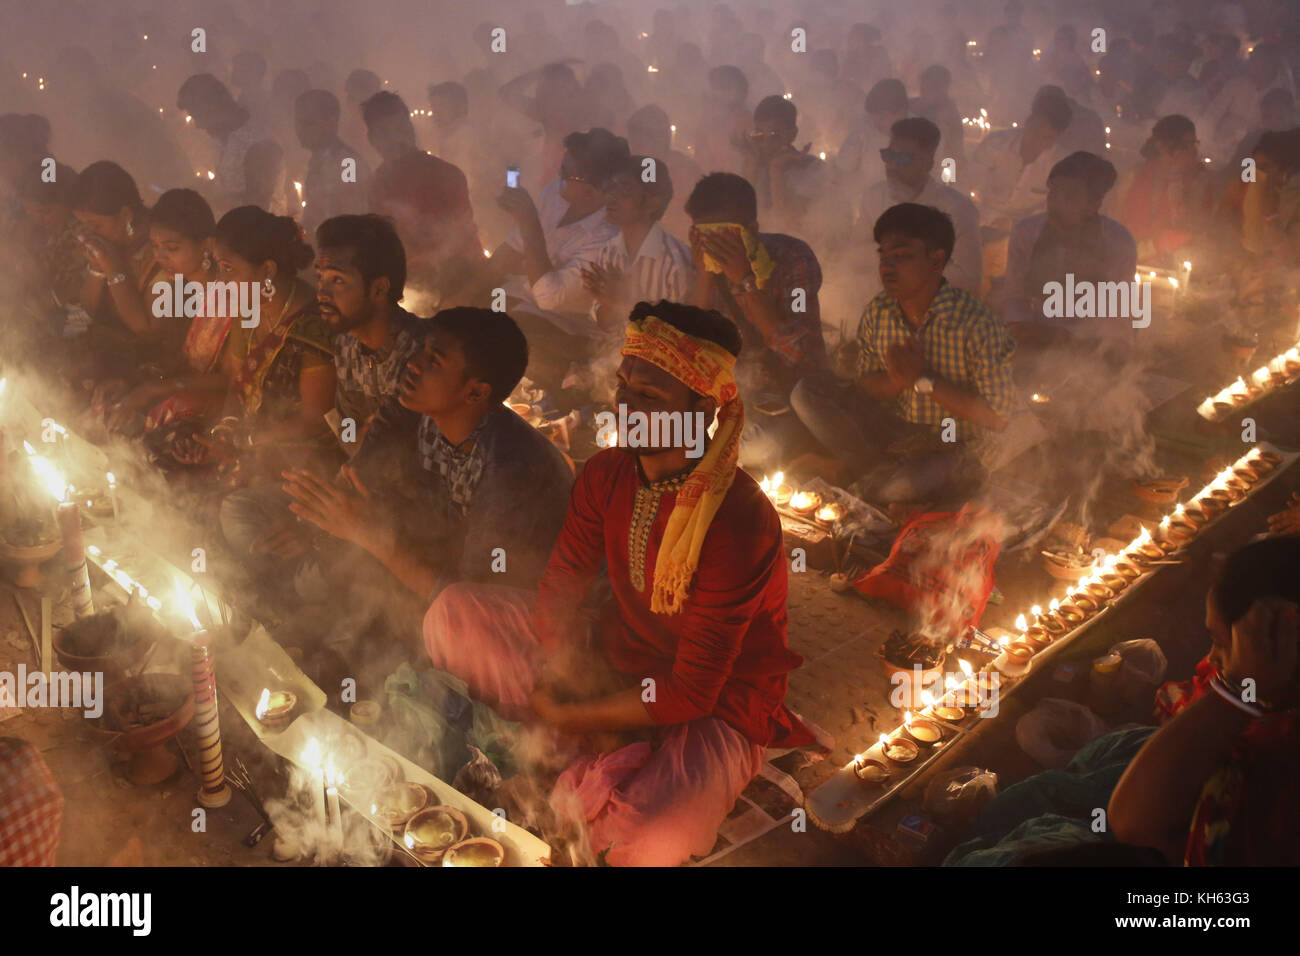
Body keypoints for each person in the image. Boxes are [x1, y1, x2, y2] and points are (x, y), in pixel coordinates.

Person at [421, 300, 813, 866]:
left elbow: (690, 692)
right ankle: (591, 752)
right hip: (612, 656)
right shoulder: (607, 472)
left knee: (650, 835)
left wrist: (567, 716)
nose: (625, 405)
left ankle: (577, 754)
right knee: (454, 611)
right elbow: (560, 586)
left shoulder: (740, 522)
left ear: (702, 408)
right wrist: (563, 673)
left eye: (649, 396)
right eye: (623, 385)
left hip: (718, 704)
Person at [280, 307, 573, 625]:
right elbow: (372, 452)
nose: (413, 364)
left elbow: (469, 602)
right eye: (420, 350)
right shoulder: (418, 407)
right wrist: (318, 518)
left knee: (324, 590)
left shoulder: (509, 471)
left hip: (516, 616)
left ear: (475, 392)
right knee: (310, 576)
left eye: (434, 361)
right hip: (441, 555)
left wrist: (369, 534)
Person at [791, 203, 1015, 502]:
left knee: (893, 490)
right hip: (896, 433)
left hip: (953, 442)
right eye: (883, 256)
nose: (886, 267)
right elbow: (867, 385)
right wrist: (897, 380)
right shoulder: (879, 310)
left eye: (901, 256)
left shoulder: (976, 323)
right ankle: (879, 475)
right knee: (806, 393)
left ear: (936, 260)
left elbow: (998, 418)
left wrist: (924, 379)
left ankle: (880, 481)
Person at [1110, 537, 1300, 865]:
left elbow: (1134, 825)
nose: (1213, 658)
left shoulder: (1277, 770)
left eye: (1222, 643)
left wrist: (1240, 689)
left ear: (1282, 644)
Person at [685, 172, 824, 470]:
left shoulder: (793, 258)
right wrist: (706, 276)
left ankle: (809, 452)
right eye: (705, 235)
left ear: (752, 229)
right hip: (730, 394)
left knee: (740, 450)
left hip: (785, 399)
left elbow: (802, 353)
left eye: (724, 235)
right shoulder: (698, 261)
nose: (714, 245)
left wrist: (746, 281)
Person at [208, 205, 335, 481]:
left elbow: (315, 420)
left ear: (267, 269)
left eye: (228, 268)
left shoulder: (315, 325)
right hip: (251, 443)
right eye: (219, 268)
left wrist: (248, 442)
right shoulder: (250, 309)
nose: (221, 280)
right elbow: (236, 385)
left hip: (304, 460)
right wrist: (226, 430)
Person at [490, 127, 625, 380]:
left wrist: (529, 222)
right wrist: (475, 281)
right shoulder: (554, 193)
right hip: (523, 299)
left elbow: (548, 298)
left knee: (508, 339)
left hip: (569, 327)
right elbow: (511, 251)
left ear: (595, 190)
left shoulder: (609, 236)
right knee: (469, 313)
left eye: (566, 174)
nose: (558, 177)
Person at [996, 152, 1136, 353]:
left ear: (1093, 205)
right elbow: (1014, 295)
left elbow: (1119, 313)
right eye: (1053, 193)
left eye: (1070, 196)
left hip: (1092, 344)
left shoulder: (1118, 242)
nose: (1056, 203)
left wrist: (1075, 340)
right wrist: (1021, 327)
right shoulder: (1027, 232)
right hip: (1033, 335)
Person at [314, 213, 425, 446]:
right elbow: (349, 432)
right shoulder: (347, 344)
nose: (322, 293)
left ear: (378, 289)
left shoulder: (422, 355)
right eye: (320, 278)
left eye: (337, 280)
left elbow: (403, 456)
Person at [363, 91, 482, 306]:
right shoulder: (376, 184)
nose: (396, 140)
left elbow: (459, 244)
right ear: (372, 140)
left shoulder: (447, 176)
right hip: (408, 286)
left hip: (459, 284)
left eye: (401, 129)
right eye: (385, 133)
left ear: (411, 129)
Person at [853, 117, 982, 309]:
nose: (893, 166)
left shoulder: (957, 208)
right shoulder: (874, 197)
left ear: (928, 163)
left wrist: (910, 274)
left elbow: (968, 279)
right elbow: (856, 254)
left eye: (904, 159)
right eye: (889, 156)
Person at [582, 154, 693, 331]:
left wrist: (620, 303)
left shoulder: (676, 263)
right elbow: (604, 327)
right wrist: (610, 305)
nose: (611, 196)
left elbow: (677, 340)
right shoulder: (608, 252)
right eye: (611, 187)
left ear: (653, 202)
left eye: (625, 188)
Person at [177, 73, 278, 213]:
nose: (198, 126)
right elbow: (231, 186)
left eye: (197, 116)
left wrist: (208, 199)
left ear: (212, 107)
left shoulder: (258, 143)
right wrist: (203, 188)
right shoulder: (221, 140)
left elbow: (258, 206)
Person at [972, 91, 1072, 232]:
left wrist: (1015, 225)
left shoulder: (1059, 164)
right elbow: (971, 183)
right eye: (1034, 132)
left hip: (1028, 235)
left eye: (1047, 138)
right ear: (1028, 123)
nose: (1036, 141)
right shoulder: (995, 145)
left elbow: (1055, 210)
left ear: (1056, 139)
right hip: (981, 224)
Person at [1121, 115, 1215, 261]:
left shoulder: (1200, 182)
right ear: (1162, 147)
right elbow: (1120, 228)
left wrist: (1177, 182)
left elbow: (1197, 230)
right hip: (1135, 257)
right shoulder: (1137, 177)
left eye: (1194, 144)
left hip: (1180, 262)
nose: (1194, 151)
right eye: (1186, 145)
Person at [740, 95, 832, 236]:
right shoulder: (753, 164)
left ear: (793, 134)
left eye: (774, 135)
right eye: (759, 135)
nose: (765, 143)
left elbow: (788, 226)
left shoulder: (813, 169)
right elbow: (741, 219)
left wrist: (776, 172)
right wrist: (752, 169)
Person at [295, 89, 369, 237]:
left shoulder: (347, 162)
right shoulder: (315, 159)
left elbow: (351, 213)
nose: (299, 129)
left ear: (330, 122)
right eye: (297, 122)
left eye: (308, 123)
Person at [625, 104, 703, 238]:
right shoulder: (635, 168)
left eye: (639, 141)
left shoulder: (684, 170)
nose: (633, 147)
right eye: (633, 140)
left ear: (661, 138)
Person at [693, 65, 751, 176]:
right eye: (716, 87)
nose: (719, 93)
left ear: (741, 91)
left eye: (725, 87)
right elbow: (700, 163)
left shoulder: (748, 123)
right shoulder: (708, 122)